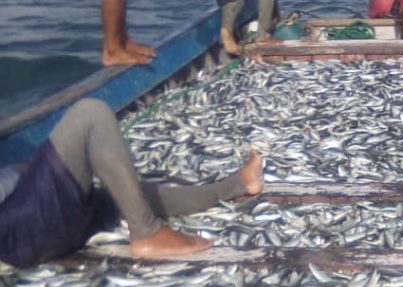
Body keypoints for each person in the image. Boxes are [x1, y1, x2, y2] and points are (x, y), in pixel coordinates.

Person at [0, 99, 264, 268]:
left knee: (128, 196)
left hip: (31, 231)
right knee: (90, 114)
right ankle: (148, 234)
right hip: (21, 234)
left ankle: (239, 183)